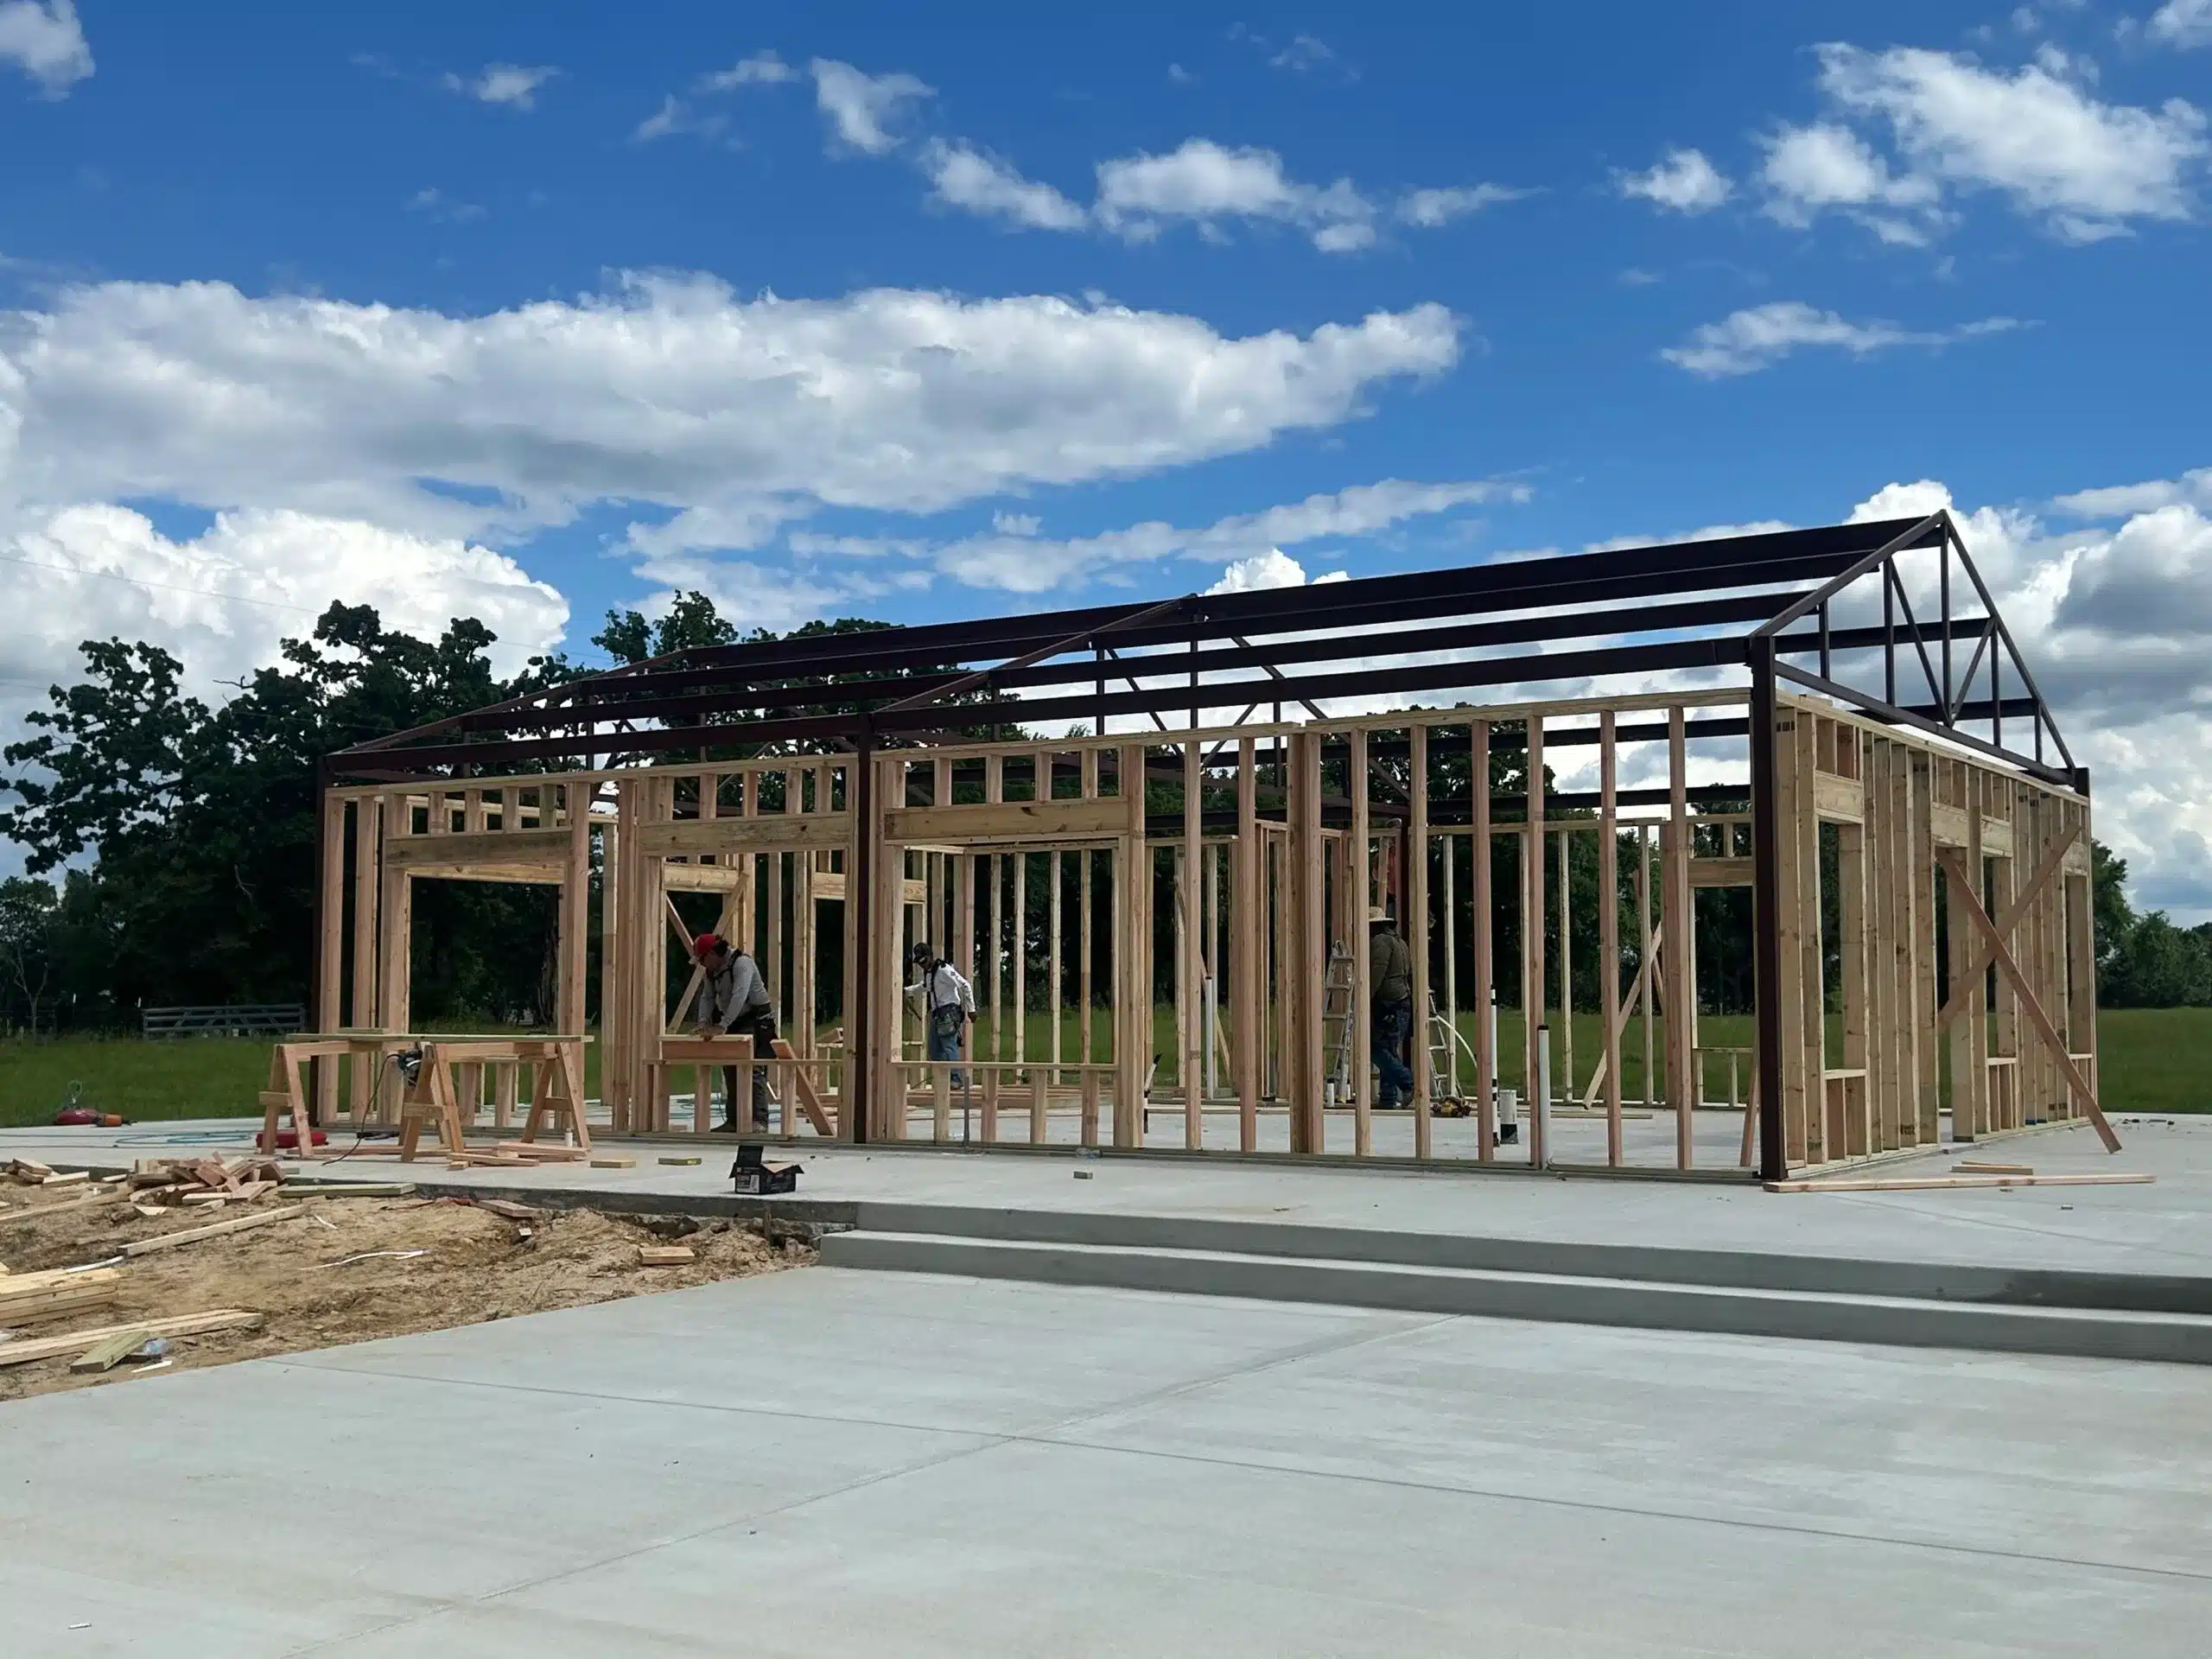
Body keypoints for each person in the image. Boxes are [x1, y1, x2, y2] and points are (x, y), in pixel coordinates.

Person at [691, 931, 776, 1132]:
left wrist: (723, 1025)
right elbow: (707, 998)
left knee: (753, 1068)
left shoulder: (742, 964)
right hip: (734, 1020)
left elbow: (740, 995)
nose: (702, 965)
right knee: (730, 1067)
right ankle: (734, 1121)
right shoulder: (712, 971)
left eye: (702, 959)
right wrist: (703, 1022)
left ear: (712, 954)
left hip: (755, 1020)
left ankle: (759, 1121)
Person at [906, 941, 975, 1086]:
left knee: (949, 1044)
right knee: (934, 1048)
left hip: (949, 1011)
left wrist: (971, 1009)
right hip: (938, 1014)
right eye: (919, 962)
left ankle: (955, 1078)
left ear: (930, 956)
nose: (922, 965)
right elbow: (925, 986)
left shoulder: (944, 970)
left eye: (923, 961)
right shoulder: (930, 974)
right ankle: (944, 1077)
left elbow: (965, 985)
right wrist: (907, 991)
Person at [1368, 906, 1415, 1109]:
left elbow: (1377, 972)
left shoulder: (1380, 942)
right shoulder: (1399, 942)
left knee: (1377, 1049)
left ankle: (1408, 1082)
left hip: (1390, 1004)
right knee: (1388, 1048)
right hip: (1401, 1002)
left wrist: (1364, 997)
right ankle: (1388, 1097)